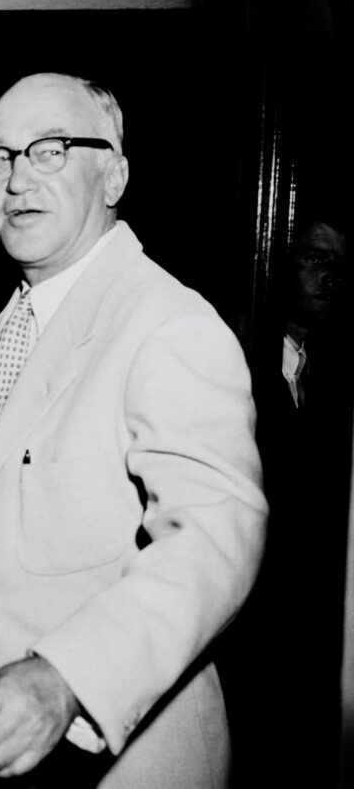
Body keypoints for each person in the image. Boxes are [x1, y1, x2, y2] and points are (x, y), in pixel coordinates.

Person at [0, 72, 268, 787]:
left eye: (49, 150)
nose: (17, 179)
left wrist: (68, 677)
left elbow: (216, 537)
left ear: (113, 173)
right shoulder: (20, 324)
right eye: (0, 156)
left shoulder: (165, 323)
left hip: (114, 758)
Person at [225, 213, 351, 787]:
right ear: (278, 265)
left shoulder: (329, 370)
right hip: (244, 629)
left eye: (340, 264)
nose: (331, 277)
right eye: (315, 259)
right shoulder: (235, 359)